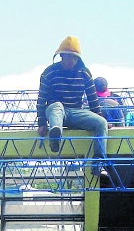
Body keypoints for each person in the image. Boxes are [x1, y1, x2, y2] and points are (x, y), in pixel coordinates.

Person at [37, 36, 108, 175]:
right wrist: (42, 122)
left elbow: (92, 99)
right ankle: (55, 137)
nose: (72, 61)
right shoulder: (49, 73)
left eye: (75, 58)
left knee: (101, 123)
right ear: (61, 56)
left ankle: (98, 164)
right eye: (69, 57)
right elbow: (41, 99)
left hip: (75, 112)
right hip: (55, 111)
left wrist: (99, 117)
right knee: (57, 107)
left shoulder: (84, 73)